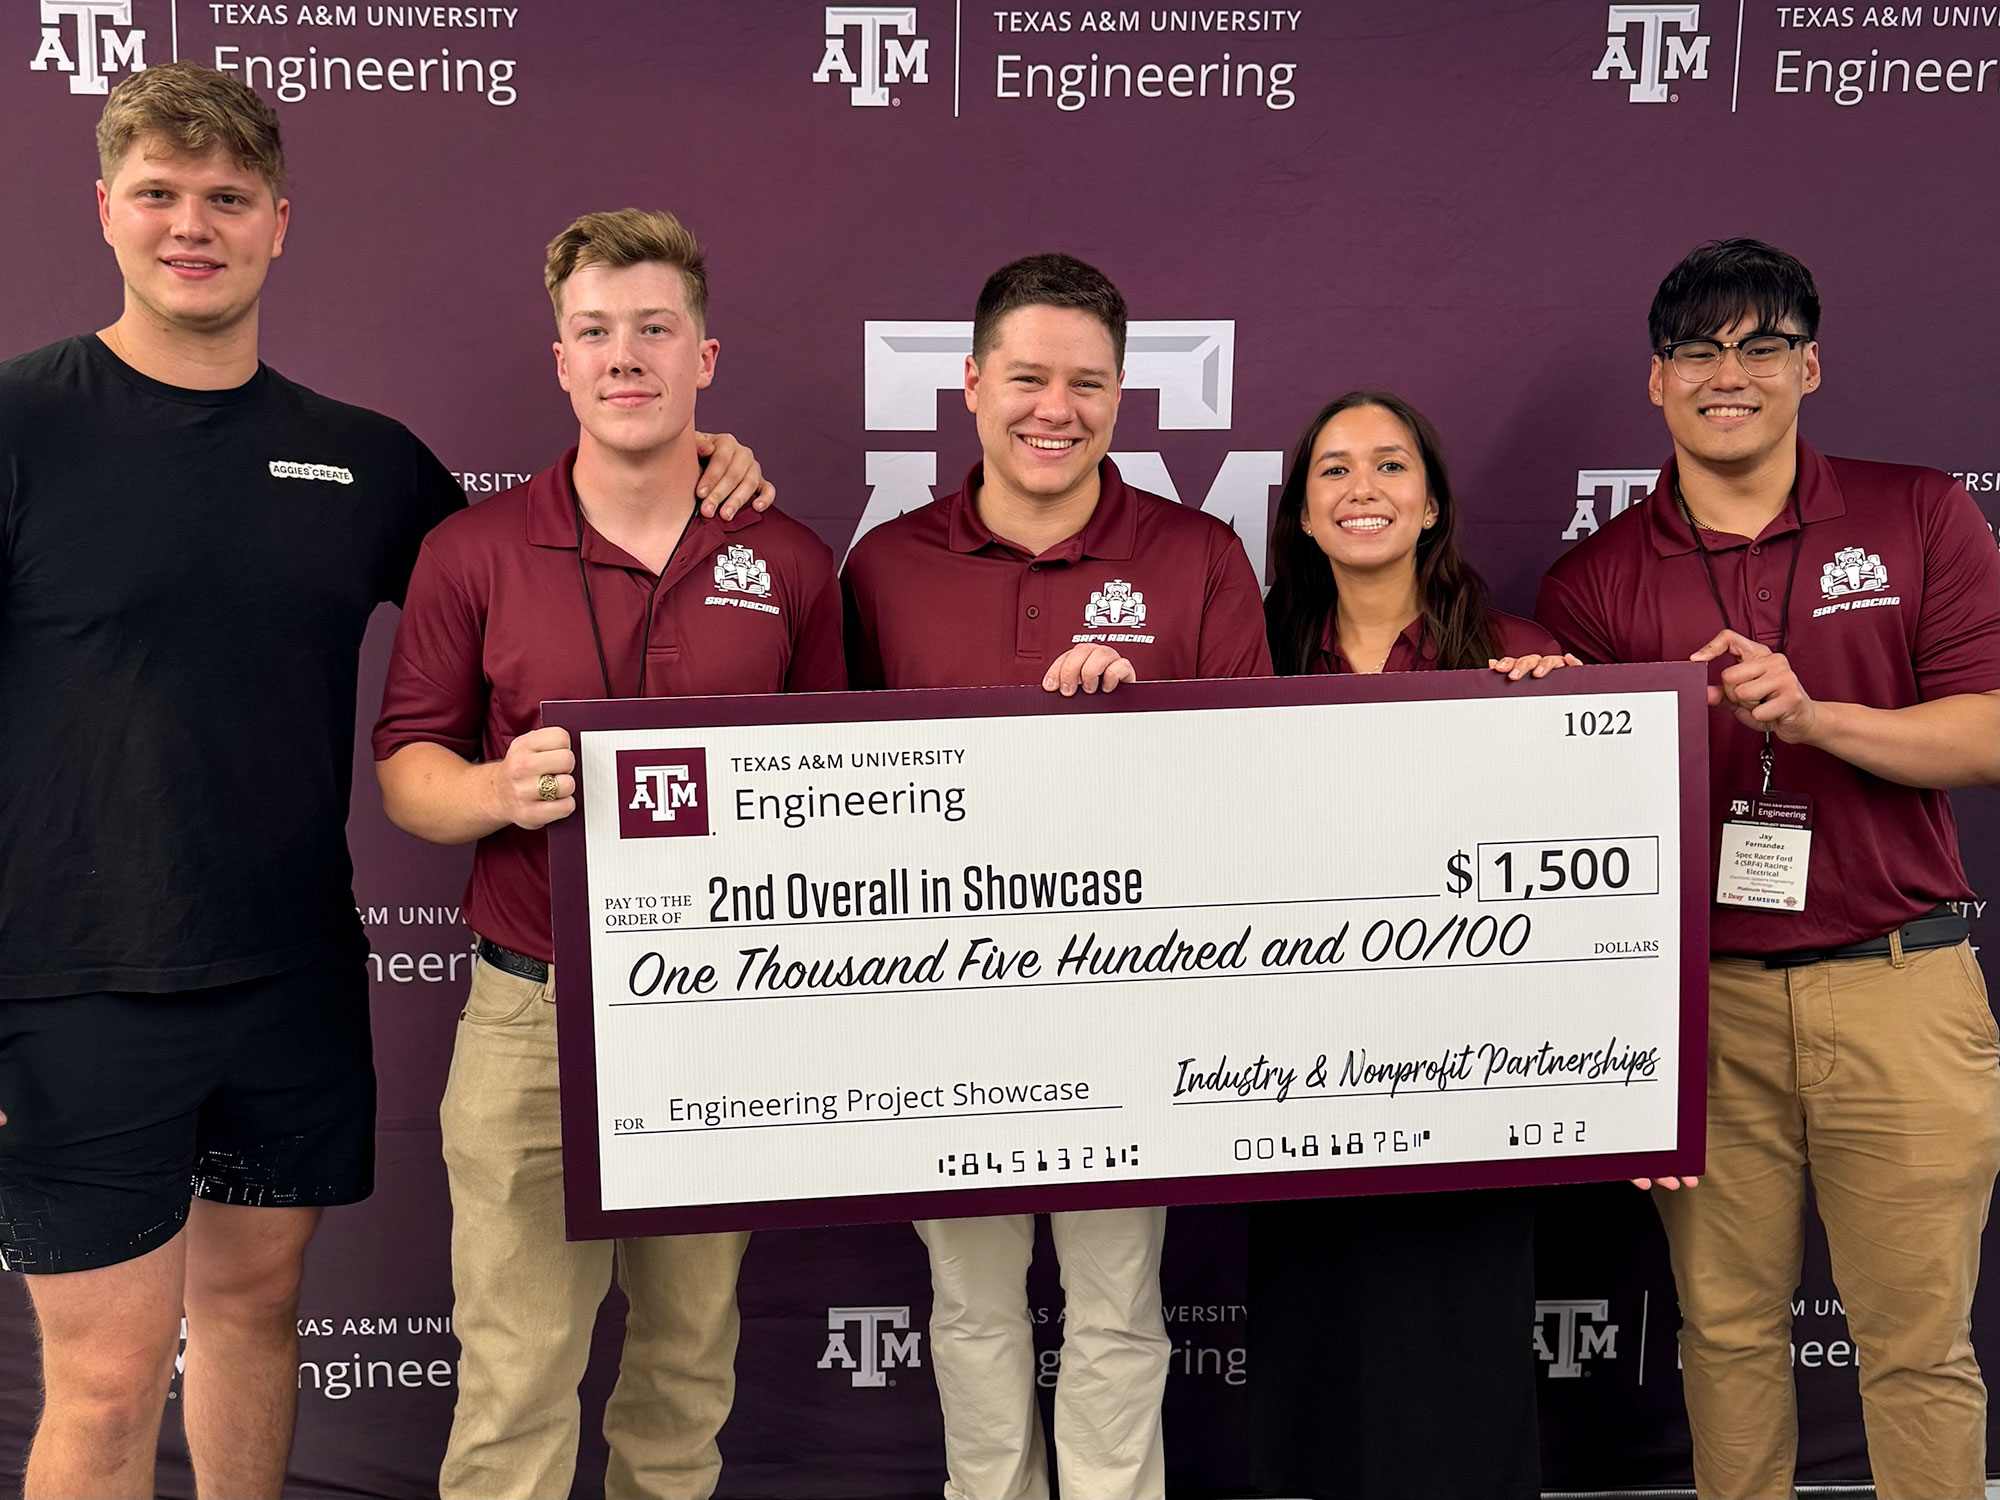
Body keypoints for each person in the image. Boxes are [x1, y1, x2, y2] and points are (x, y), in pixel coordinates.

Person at [0, 67, 767, 1500]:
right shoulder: (22, 423)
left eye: (227, 199)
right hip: (75, 986)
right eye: (159, 195)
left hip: (290, 975)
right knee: (104, 1385)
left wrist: (688, 455)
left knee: (254, 1317)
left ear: (279, 225)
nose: (193, 227)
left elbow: (543, 554)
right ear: (103, 210)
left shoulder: (359, 465)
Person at [372, 208, 840, 1500]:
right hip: (530, 1009)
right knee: (518, 1374)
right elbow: (407, 770)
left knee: (687, 1369)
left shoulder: (789, 559)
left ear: (706, 355)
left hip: (718, 1018)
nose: (624, 356)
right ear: (562, 362)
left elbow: (843, 790)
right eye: (596, 333)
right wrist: (493, 786)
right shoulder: (472, 552)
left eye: (654, 330)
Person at [1537, 238, 2000, 1499]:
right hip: (1707, 1004)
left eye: (1757, 347)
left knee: (1915, 1346)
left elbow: (1986, 729)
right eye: (1696, 351)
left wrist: (1810, 719)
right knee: (1728, 1335)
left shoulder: (1917, 513)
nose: (1724, 375)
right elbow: (1573, 806)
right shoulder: (1596, 577)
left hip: (1899, 983)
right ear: (1656, 381)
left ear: (1808, 365)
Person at [842, 253, 1270, 1500]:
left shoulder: (1195, 557)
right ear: (970, 385)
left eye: (1086, 383)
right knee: (969, 1309)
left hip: (1128, 1001)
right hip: (943, 1006)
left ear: (1122, 397)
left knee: (1118, 1305)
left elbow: (1259, 778)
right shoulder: (884, 565)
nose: (1054, 408)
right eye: (1026, 377)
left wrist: (1140, 728)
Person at [1251, 389, 1572, 1500]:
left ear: (1431, 503)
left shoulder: (1515, 656)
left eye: (1389, 466)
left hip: (1467, 1073)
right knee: (1331, 1361)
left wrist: (1573, 728)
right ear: (1297, 511)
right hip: (1296, 1077)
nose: (1362, 490)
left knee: (1457, 1359)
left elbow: (1584, 885)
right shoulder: (1247, 659)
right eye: (1333, 470)